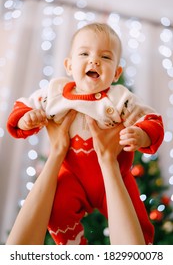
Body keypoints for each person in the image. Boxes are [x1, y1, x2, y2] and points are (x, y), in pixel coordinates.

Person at [6, 22, 164, 245]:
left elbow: (152, 120)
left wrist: (141, 134)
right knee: (57, 210)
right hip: (72, 175)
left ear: (117, 73)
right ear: (69, 66)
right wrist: (26, 119)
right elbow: (23, 105)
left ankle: (143, 249)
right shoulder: (54, 93)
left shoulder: (120, 98)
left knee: (136, 220)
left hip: (115, 175)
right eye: (84, 53)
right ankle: (74, 246)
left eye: (106, 57)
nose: (94, 61)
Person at [6, 112, 145, 245]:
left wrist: (57, 151)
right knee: (59, 211)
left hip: (97, 168)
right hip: (78, 174)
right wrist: (108, 159)